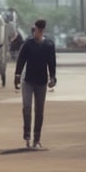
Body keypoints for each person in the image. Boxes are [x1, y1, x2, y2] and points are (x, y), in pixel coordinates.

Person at [14, 18, 56, 149]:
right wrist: (17, 75)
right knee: (27, 108)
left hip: (41, 82)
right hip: (28, 81)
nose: (37, 33)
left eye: (40, 31)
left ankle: (36, 139)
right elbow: (21, 60)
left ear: (42, 31)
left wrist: (53, 77)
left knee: (39, 111)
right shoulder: (28, 44)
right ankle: (27, 135)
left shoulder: (49, 45)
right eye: (36, 30)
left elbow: (52, 62)